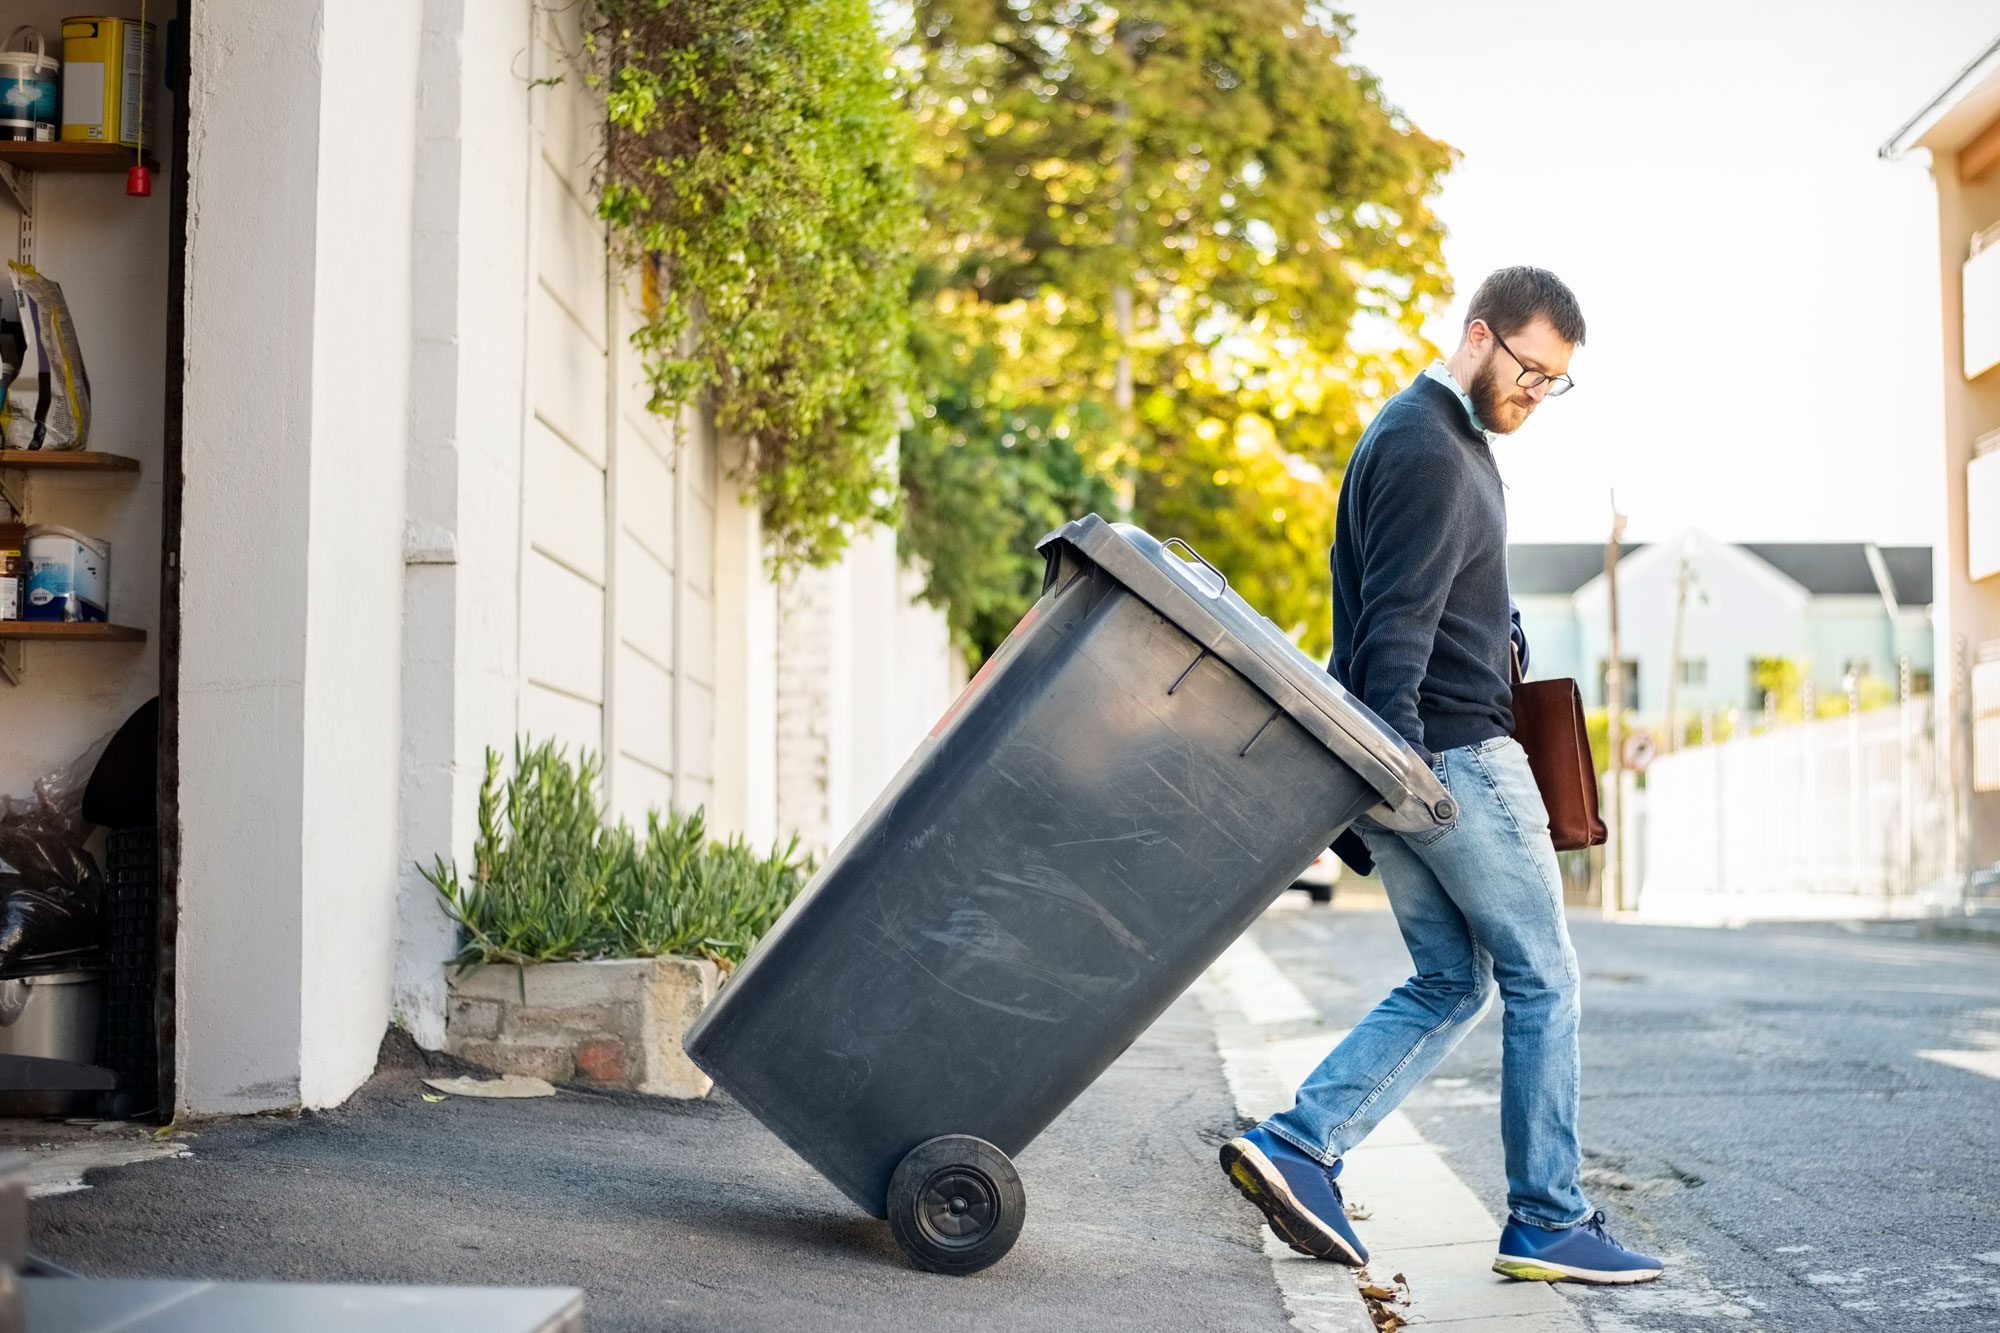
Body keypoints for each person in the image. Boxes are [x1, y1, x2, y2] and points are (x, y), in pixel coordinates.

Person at [1219, 267, 1664, 1286]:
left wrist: (1375, 783)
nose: (1533, 395)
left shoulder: (1432, 441)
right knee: (1542, 978)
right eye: (1526, 369)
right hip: (1452, 756)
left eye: (1553, 383)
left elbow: (1405, 609)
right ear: (1476, 336)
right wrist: (1404, 775)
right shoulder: (1427, 446)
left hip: (1417, 756)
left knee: (1449, 979)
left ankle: (1298, 1142)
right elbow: (1393, 627)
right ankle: (1546, 1217)